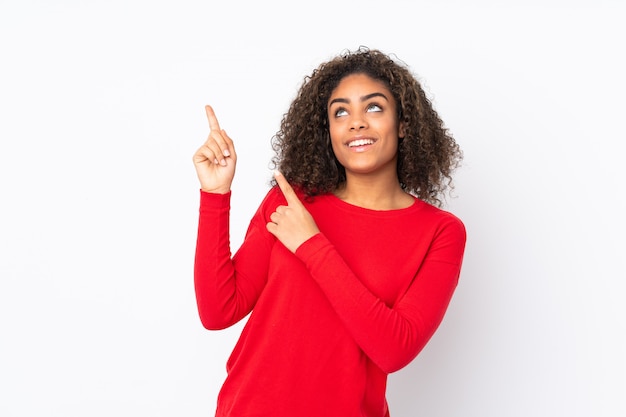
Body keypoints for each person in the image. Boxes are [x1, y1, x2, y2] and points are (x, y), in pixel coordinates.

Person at [192, 47, 466, 417]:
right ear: (329, 131)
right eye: (340, 112)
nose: (356, 122)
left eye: (373, 107)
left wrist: (312, 245)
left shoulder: (439, 232)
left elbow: (393, 349)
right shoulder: (291, 201)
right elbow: (218, 311)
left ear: (403, 124)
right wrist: (215, 195)